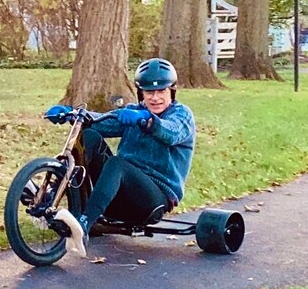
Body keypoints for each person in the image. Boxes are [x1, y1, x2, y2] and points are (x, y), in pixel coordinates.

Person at [42, 58, 196, 257]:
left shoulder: (182, 115)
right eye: (149, 92)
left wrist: (146, 121)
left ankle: (83, 225)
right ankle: (54, 199)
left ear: (172, 91)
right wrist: (72, 115)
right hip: (118, 195)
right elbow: (99, 121)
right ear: (141, 93)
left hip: (153, 199)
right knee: (89, 135)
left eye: (161, 91)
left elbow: (171, 133)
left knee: (118, 164)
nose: (155, 97)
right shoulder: (134, 111)